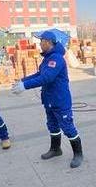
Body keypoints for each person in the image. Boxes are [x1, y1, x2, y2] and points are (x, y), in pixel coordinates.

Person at [11, 30, 84, 168]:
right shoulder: (48, 58)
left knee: (68, 127)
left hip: (60, 100)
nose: (39, 44)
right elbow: (40, 73)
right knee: (52, 125)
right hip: (49, 100)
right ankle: (56, 149)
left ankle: (78, 154)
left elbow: (47, 77)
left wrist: (25, 86)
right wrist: (23, 80)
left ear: (48, 42)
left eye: (41, 42)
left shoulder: (56, 58)